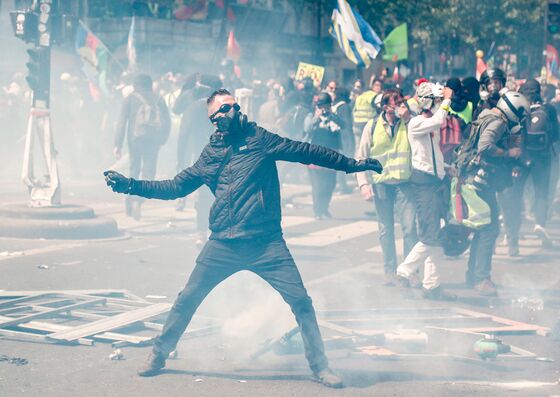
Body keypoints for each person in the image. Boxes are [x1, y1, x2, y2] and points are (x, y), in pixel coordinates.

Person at [104, 88, 383, 388]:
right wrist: (130, 185)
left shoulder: (260, 139)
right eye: (216, 114)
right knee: (187, 299)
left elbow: (307, 151)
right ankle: (159, 354)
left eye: (227, 108)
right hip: (224, 242)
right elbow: (175, 187)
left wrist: (353, 165)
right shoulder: (210, 154)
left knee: (301, 302)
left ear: (238, 107)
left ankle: (320, 366)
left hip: (266, 243)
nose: (223, 116)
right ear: (212, 121)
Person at [463, 91, 530, 295]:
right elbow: (485, 146)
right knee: (489, 229)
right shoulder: (499, 122)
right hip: (481, 182)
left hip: (474, 179)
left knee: (484, 228)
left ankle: (473, 274)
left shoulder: (486, 114)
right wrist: (509, 153)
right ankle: (481, 278)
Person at [395, 82, 456, 300]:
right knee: (431, 235)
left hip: (435, 181)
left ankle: (432, 285)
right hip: (423, 184)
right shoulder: (417, 123)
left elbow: (433, 155)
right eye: (437, 101)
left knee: (437, 235)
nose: (440, 105)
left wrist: (447, 169)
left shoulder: (429, 125)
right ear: (428, 101)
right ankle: (404, 270)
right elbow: (439, 119)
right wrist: (447, 100)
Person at [355, 88, 418, 285]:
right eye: (396, 102)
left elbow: (422, 144)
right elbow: (361, 158)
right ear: (385, 106)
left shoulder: (410, 123)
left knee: (409, 229)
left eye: (402, 101)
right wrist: (364, 184)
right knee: (386, 230)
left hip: (404, 184)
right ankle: (389, 270)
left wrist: (408, 120)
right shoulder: (372, 126)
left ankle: (409, 271)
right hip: (381, 184)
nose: (401, 105)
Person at [500, 79, 559, 255]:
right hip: (542, 158)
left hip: (519, 159)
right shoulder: (548, 109)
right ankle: (539, 224)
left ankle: (513, 240)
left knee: (514, 197)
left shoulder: (516, 108)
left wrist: (513, 155)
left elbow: (510, 133)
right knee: (541, 192)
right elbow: (556, 134)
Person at [114, 74, 171, 220]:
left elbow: (121, 123)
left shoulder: (130, 99)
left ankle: (130, 197)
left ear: (135, 85)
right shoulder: (159, 99)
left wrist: (117, 144)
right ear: (150, 85)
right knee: (149, 171)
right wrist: (162, 139)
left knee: (134, 168)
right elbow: (167, 121)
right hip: (153, 140)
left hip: (135, 140)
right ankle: (139, 200)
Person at [304, 93, 345, 219]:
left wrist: (333, 116)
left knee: (330, 184)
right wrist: (317, 117)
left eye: (327, 106)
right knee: (318, 186)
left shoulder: (334, 118)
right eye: (322, 106)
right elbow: (307, 128)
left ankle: (324, 207)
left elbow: (344, 125)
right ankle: (318, 210)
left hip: (331, 156)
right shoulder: (311, 116)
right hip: (315, 156)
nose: (324, 109)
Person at [332, 86, 354, 194]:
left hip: (336, 137)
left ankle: (339, 185)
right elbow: (347, 125)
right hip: (342, 138)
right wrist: (349, 141)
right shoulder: (344, 106)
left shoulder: (336, 106)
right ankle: (343, 187)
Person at [353, 78, 383, 150]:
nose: (379, 87)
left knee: (358, 147)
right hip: (365, 124)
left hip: (356, 124)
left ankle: (357, 160)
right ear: (372, 86)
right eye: (377, 85)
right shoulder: (371, 94)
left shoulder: (360, 96)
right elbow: (376, 102)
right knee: (367, 147)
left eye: (380, 86)